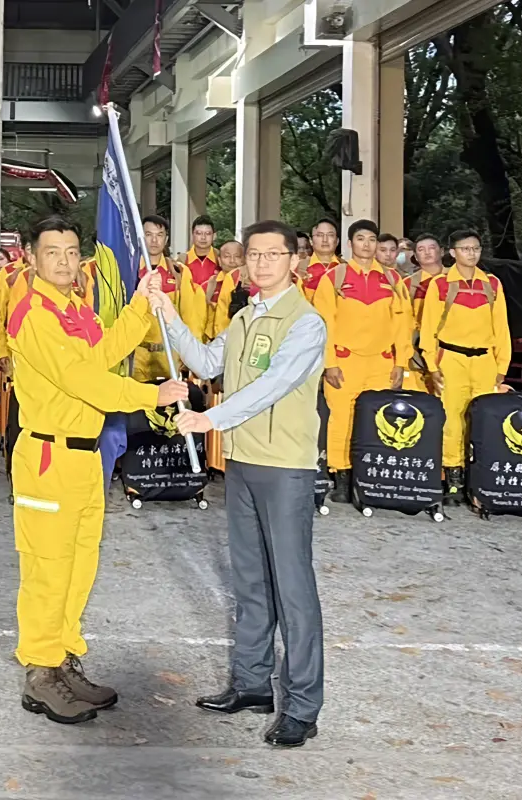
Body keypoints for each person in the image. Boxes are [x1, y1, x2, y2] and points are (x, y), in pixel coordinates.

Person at [7, 215, 188, 725]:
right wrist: (150, 395)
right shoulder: (34, 315)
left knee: (79, 567)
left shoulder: (75, 308)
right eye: (52, 252)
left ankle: (64, 658)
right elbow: (83, 380)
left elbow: (103, 353)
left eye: (71, 252)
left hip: (85, 458)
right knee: (47, 569)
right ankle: (41, 673)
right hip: (49, 457)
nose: (64, 262)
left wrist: (139, 305)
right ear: (31, 257)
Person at [158, 219, 327, 748]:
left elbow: (274, 385)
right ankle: (252, 684)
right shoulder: (244, 317)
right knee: (250, 581)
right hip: (243, 461)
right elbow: (209, 361)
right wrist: (168, 316)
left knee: (292, 588)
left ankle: (302, 705)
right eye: (254, 254)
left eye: (273, 254)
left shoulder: (306, 322)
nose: (262, 263)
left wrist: (210, 419)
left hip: (285, 466)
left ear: (294, 261)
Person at [312, 219, 412, 503]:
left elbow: (402, 324)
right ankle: (341, 475)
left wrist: (401, 362)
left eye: (371, 239)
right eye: (360, 239)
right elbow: (323, 324)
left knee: (377, 419)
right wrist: (329, 363)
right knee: (341, 419)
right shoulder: (334, 278)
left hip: (382, 362)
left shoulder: (392, 280)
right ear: (349, 243)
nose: (366, 245)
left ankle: (370, 475)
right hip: (345, 361)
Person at [418, 229, 511, 504]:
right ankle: (453, 478)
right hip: (451, 359)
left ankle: (480, 478)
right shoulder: (440, 284)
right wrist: (432, 366)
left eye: (476, 249)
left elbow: (501, 328)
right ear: (452, 252)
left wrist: (501, 367)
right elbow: (429, 330)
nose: (472, 254)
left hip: (485, 361)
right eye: (465, 249)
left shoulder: (492, 284)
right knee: (452, 420)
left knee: (485, 421)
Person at [133, 214, 205, 381]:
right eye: (148, 234)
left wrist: (193, 356)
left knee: (170, 396)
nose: (154, 240)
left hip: (168, 354)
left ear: (166, 239)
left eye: (159, 235)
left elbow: (190, 315)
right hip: (136, 354)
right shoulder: (130, 271)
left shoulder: (179, 272)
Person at [401, 233, 446, 392]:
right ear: (415, 256)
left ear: (442, 251)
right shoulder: (407, 284)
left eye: (431, 248)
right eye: (421, 249)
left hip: (450, 347)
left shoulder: (456, 279)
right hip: (418, 346)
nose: (427, 252)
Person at [183, 216, 222, 339]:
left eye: (208, 233)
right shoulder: (182, 261)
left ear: (214, 236)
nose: (203, 238)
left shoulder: (222, 259)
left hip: (215, 325)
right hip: (189, 324)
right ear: (192, 235)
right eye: (199, 233)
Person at [299, 219, 340, 302]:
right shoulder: (299, 269)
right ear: (311, 241)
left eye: (330, 235)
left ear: (337, 241)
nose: (325, 240)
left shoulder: (346, 269)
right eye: (319, 235)